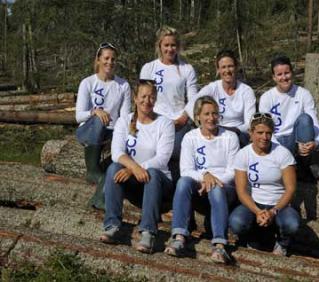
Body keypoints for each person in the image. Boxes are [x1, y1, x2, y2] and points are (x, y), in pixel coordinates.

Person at [100, 80, 175, 254]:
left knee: (153, 174)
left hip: (159, 182)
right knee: (113, 168)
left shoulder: (165, 124)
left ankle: (148, 232)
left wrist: (135, 169)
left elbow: (162, 159)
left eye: (151, 97)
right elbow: (117, 152)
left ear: (155, 99)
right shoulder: (124, 121)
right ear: (135, 98)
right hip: (134, 181)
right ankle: (112, 225)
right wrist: (134, 168)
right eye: (143, 96)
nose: (147, 101)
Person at [164, 96, 239, 264]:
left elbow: (233, 171)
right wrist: (205, 176)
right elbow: (185, 170)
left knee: (216, 189)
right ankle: (179, 236)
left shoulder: (230, 137)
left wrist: (213, 181)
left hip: (224, 188)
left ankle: (220, 245)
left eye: (214, 113)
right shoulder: (190, 137)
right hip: (199, 187)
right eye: (206, 114)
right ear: (197, 116)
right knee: (183, 183)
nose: (211, 118)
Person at [229, 113, 300, 256]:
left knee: (292, 224)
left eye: (268, 133)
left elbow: (291, 188)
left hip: (279, 205)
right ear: (251, 133)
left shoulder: (282, 153)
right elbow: (241, 190)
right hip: (253, 203)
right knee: (236, 222)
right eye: (260, 133)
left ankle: (282, 243)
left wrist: (273, 211)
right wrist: (257, 211)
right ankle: (251, 240)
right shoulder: (243, 154)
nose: (264, 137)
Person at [75, 42, 131, 210]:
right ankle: (92, 168)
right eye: (106, 58)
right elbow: (78, 116)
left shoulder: (123, 85)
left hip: (112, 133)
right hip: (89, 131)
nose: (110, 62)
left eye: (113, 59)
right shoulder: (88, 83)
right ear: (98, 60)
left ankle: (99, 199)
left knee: (116, 163)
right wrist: (95, 111)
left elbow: (125, 117)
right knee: (100, 120)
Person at [140, 26, 198, 181]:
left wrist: (184, 118)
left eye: (173, 45)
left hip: (178, 121)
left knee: (174, 151)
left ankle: (173, 186)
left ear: (178, 46)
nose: (170, 49)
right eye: (166, 45)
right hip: (154, 120)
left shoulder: (187, 69)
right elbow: (142, 97)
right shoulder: (149, 68)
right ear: (160, 46)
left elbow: (193, 99)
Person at [258, 55, 319, 183]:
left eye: (287, 73)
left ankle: (305, 160)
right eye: (279, 74)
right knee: (279, 140)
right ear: (274, 77)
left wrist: (316, 142)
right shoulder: (267, 98)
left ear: (292, 73)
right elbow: (264, 128)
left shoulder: (303, 94)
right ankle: (301, 165)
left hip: (298, 137)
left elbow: (313, 122)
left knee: (305, 119)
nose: (284, 77)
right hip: (277, 141)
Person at [185, 49, 256, 146]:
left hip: (238, 134)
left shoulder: (246, 91)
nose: (227, 71)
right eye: (223, 67)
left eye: (230, 66)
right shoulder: (213, 88)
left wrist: (232, 130)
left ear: (236, 67)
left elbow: (250, 123)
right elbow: (190, 106)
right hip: (214, 131)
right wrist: (203, 125)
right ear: (218, 70)